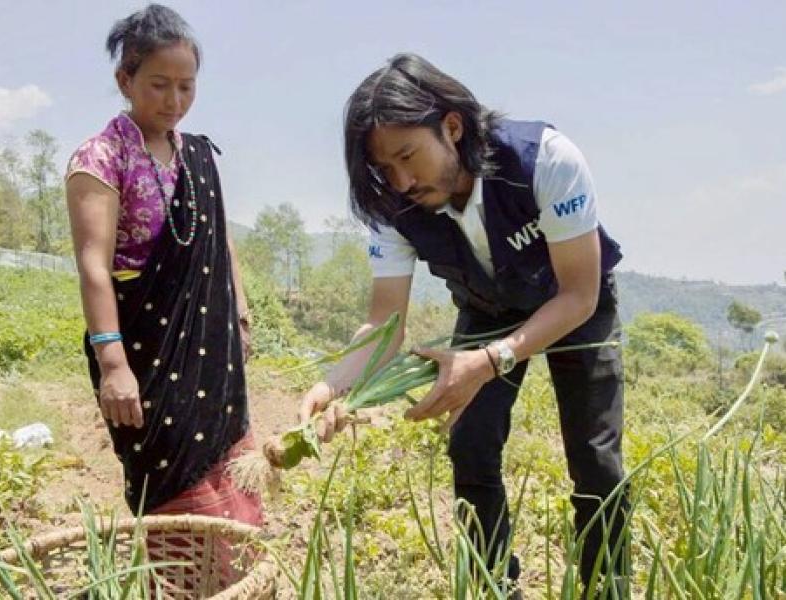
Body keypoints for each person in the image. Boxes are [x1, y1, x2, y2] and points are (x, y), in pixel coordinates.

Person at [299, 53, 628, 592]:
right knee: (470, 443)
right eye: (385, 169)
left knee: (595, 459)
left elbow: (580, 294)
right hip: (487, 310)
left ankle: (604, 585)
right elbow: (385, 322)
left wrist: (490, 361)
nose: (401, 180)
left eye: (408, 155)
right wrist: (334, 384)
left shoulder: (543, 158)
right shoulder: (395, 210)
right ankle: (496, 584)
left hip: (572, 302)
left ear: (451, 126)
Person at [65, 4, 262, 532]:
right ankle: (178, 579)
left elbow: (221, 244)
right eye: (158, 85)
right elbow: (93, 267)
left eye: (186, 86)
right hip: (144, 349)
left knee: (229, 467)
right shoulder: (101, 158)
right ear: (124, 79)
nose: (174, 101)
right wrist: (112, 363)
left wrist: (238, 314)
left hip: (208, 347)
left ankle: (237, 575)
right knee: (171, 474)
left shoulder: (197, 155)